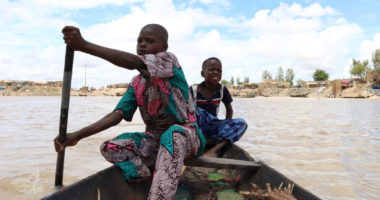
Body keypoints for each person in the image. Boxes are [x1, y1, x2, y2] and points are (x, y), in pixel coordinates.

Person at [54, 24, 205, 200]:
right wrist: (77, 136)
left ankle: (160, 195)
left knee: (173, 136)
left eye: (150, 41)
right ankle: (145, 177)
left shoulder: (169, 62)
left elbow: (133, 62)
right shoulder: (137, 83)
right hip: (156, 141)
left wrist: (84, 46)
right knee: (110, 147)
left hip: (187, 138)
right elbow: (117, 114)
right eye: (139, 40)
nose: (142, 44)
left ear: (164, 48)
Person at [190, 57, 247, 157]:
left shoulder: (222, 89)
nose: (216, 72)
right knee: (194, 109)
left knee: (242, 123)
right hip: (198, 127)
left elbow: (229, 109)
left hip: (213, 125)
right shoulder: (193, 90)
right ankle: (197, 145)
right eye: (212, 69)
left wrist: (227, 127)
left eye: (219, 70)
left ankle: (216, 149)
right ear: (202, 74)